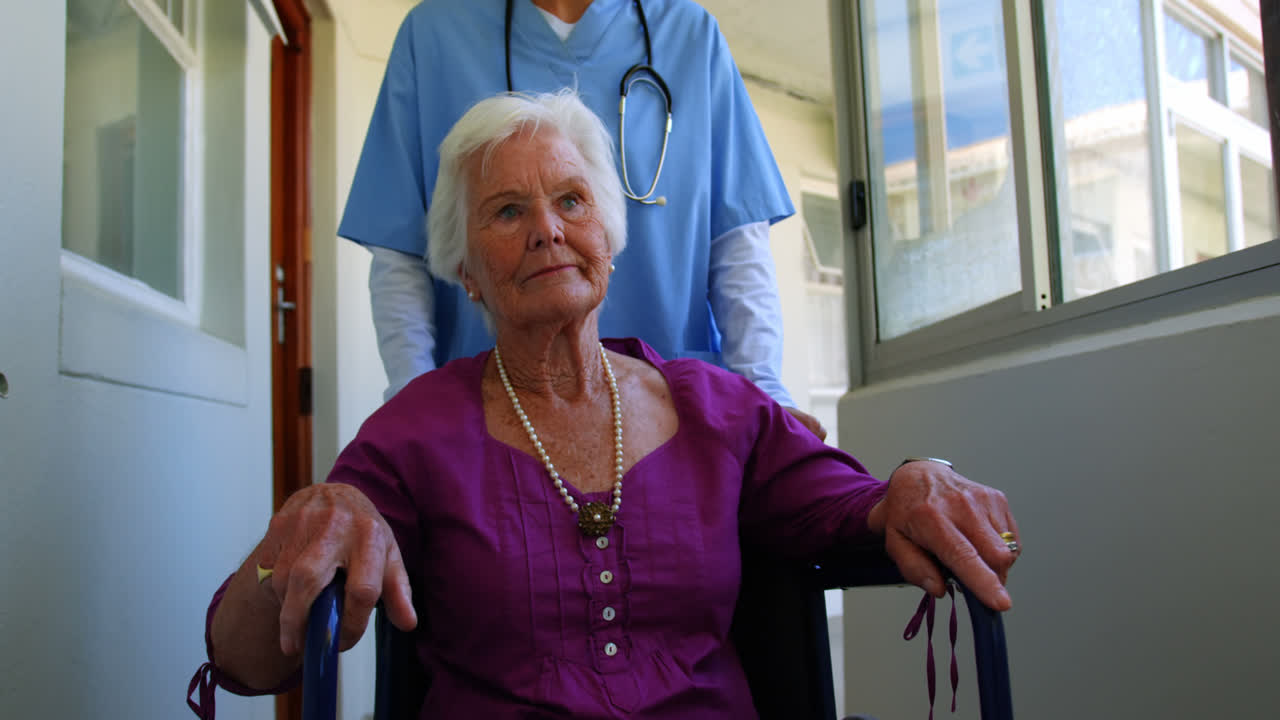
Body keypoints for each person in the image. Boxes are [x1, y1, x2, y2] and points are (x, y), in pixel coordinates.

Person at [190, 91, 1018, 719]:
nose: (547, 229)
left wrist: (915, 478)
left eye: (572, 201)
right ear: (466, 272)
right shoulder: (414, 432)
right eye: (508, 212)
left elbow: (858, 507)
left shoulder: (717, 410)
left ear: (609, 243)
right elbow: (247, 663)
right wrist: (294, 535)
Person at [340, 0, 828, 437]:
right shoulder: (434, 36)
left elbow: (738, 246)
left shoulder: (690, 35)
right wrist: (414, 406)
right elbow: (399, 255)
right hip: (488, 418)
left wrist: (768, 397)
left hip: (678, 413)